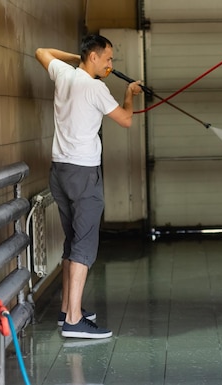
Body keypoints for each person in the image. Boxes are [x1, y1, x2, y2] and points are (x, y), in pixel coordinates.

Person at [35, 35, 142, 339]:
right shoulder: (96, 88)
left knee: (73, 240)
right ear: (93, 57)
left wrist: (77, 57)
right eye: (107, 59)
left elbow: (42, 50)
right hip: (83, 174)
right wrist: (130, 94)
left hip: (60, 171)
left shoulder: (64, 74)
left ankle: (68, 308)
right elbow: (125, 120)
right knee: (84, 244)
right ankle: (73, 320)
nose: (110, 65)